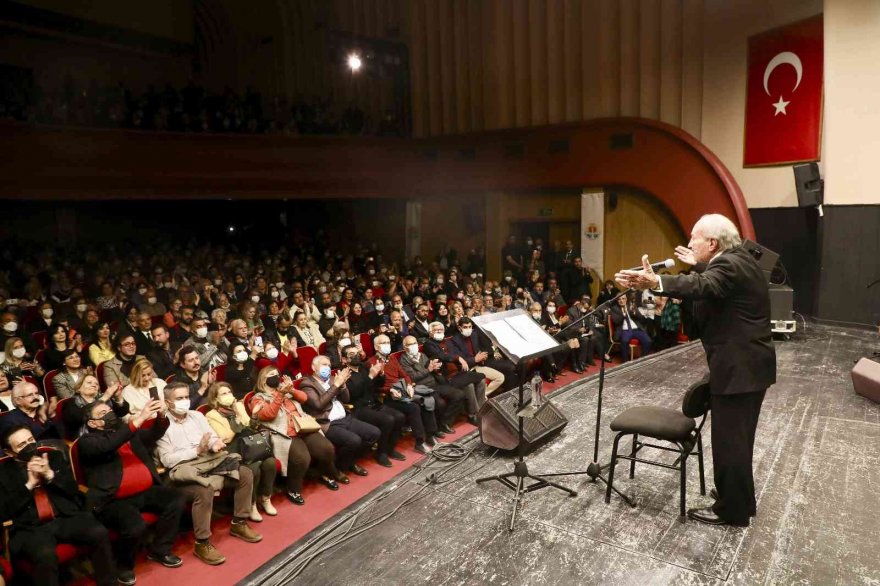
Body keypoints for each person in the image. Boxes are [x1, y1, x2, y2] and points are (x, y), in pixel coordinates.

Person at [615, 213, 776, 528]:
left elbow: (705, 284)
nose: (688, 245)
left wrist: (657, 282)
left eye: (693, 239)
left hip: (739, 369)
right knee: (737, 441)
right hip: (745, 367)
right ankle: (738, 498)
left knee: (731, 442)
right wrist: (686, 279)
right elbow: (707, 289)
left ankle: (732, 511)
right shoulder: (736, 261)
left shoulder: (729, 264)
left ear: (712, 243)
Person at [155, 381, 262, 565]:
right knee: (204, 491)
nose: (185, 401)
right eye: (179, 398)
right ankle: (202, 543)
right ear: (168, 402)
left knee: (244, 473)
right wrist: (196, 451)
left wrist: (215, 443)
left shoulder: (197, 416)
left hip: (208, 462)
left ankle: (239, 523)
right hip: (182, 472)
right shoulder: (162, 425)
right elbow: (167, 460)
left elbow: (211, 436)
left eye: (187, 397)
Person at [77, 398, 186, 578]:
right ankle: (124, 566)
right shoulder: (87, 442)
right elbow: (109, 445)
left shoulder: (126, 432)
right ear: (92, 423)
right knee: (135, 526)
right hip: (113, 500)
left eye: (109, 411)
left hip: (145, 491)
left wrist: (161, 416)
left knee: (176, 498)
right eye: (103, 414)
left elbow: (153, 434)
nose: (110, 415)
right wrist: (140, 417)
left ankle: (159, 549)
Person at [0, 426, 118, 586]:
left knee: (98, 532)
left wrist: (50, 476)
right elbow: (5, 510)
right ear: (9, 452)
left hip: (64, 516)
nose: (29, 446)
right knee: (45, 555)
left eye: (30, 440)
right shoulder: (4, 473)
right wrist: (29, 484)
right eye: (21, 445)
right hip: (30, 527)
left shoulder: (53, 456)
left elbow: (73, 490)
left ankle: (108, 582)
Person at [249, 366, 341, 504]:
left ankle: (323, 473)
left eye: (276, 374)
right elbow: (268, 414)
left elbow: (304, 398)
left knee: (326, 448)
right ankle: (293, 489)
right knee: (301, 458)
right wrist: (280, 394)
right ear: (263, 380)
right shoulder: (257, 398)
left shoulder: (285, 389)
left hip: (303, 427)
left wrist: (291, 389)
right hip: (284, 433)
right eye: (271, 375)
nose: (276, 377)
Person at [205, 382, 277, 522]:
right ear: (215, 399)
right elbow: (226, 437)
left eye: (229, 392)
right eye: (223, 394)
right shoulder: (211, 415)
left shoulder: (238, 405)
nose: (228, 396)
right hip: (232, 450)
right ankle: (252, 504)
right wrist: (238, 418)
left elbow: (251, 428)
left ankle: (265, 498)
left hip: (249, 446)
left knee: (270, 463)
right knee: (254, 469)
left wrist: (254, 415)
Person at [300, 356, 380, 478]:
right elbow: (319, 405)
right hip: (328, 423)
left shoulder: (333, 379)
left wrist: (342, 385)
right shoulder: (307, 384)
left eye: (328, 365)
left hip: (345, 417)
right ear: (313, 367)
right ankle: (337, 469)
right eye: (323, 365)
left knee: (374, 433)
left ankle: (349, 461)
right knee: (354, 440)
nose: (327, 368)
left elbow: (346, 399)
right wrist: (336, 385)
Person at [341, 345, 407, 467]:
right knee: (388, 420)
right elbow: (354, 393)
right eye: (351, 354)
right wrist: (370, 376)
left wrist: (380, 375)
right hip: (359, 408)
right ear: (344, 359)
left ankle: (390, 448)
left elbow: (376, 385)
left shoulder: (363, 367)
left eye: (357, 353)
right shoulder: (344, 374)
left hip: (374, 403)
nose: (356, 356)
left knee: (400, 416)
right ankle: (381, 453)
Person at [368, 334, 434, 454]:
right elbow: (374, 386)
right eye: (383, 343)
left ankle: (430, 435)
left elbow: (404, 375)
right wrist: (390, 390)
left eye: (388, 342)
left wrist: (409, 385)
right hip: (389, 396)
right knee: (414, 407)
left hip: (402, 389)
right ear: (376, 347)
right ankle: (420, 442)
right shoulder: (371, 362)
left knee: (425, 399)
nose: (387, 345)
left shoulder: (392, 358)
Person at [398, 335, 465, 434]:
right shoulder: (403, 360)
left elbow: (430, 369)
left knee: (459, 394)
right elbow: (412, 377)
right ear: (404, 347)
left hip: (434, 384)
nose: (414, 346)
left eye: (415, 343)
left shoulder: (422, 355)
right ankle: (437, 428)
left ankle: (444, 423)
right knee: (440, 403)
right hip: (422, 388)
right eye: (410, 344)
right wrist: (428, 370)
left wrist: (435, 368)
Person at [62, 375, 128, 441]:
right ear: (78, 388)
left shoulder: (103, 397)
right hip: (90, 440)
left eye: (96, 384)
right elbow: (77, 417)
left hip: (112, 432)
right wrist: (103, 399)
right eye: (89, 382)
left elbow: (122, 412)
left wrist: (118, 396)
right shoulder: (70, 403)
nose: (94, 385)